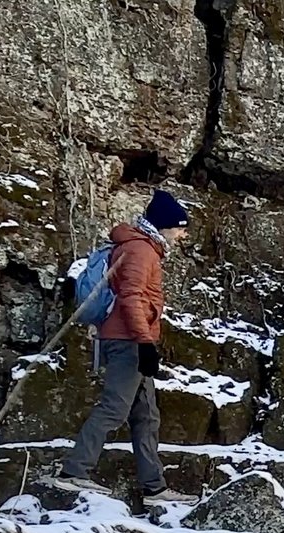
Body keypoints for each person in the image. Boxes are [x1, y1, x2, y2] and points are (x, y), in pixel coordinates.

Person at [61, 189, 193, 510]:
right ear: (163, 225)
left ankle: (154, 487)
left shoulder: (140, 247)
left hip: (131, 341)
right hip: (128, 342)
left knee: (146, 415)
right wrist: (145, 343)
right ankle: (73, 471)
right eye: (179, 227)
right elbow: (132, 297)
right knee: (114, 409)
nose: (181, 234)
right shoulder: (141, 251)